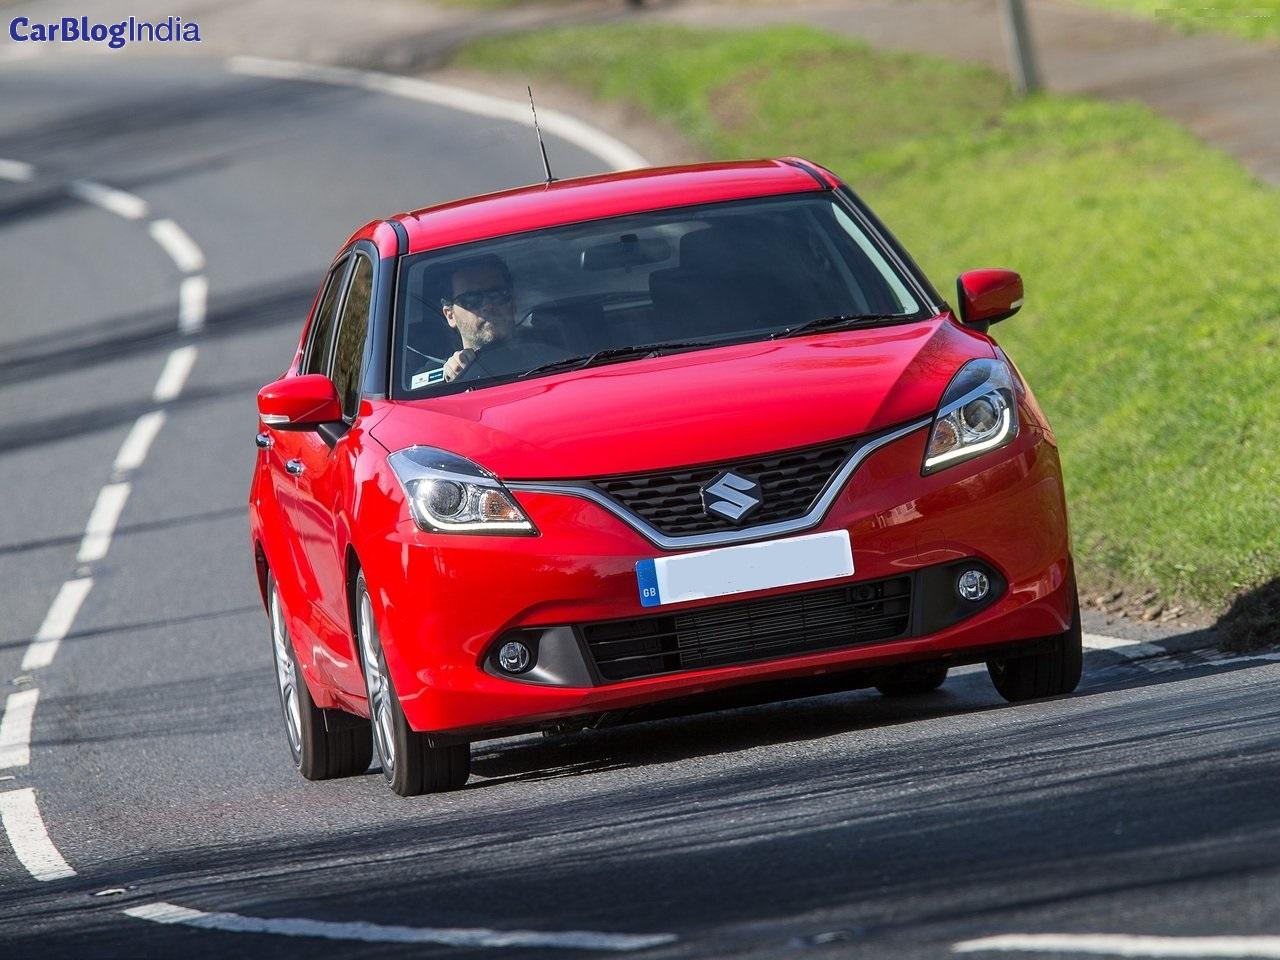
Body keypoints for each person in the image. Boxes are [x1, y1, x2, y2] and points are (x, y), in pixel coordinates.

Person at [438, 254, 561, 383]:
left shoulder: (554, 361)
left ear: (513, 303)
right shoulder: (431, 387)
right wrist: (453, 384)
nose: (488, 306)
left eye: (497, 295)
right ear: (450, 315)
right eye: (471, 300)